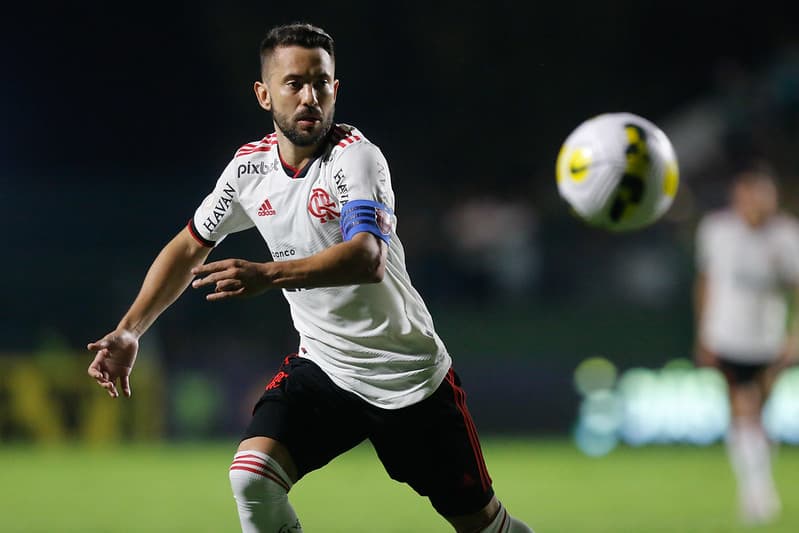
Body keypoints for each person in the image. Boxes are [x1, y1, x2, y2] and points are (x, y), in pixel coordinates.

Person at [87, 23, 533, 533]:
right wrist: (129, 329)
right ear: (264, 94)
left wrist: (267, 274)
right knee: (251, 478)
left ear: (335, 89)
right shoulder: (247, 173)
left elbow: (366, 258)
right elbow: (189, 245)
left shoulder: (356, 158)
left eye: (321, 83)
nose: (309, 97)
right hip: (325, 368)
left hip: (408, 378)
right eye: (293, 83)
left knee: (484, 526)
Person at [694, 168, 799, 525]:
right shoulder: (716, 231)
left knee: (758, 419)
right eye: (751, 195)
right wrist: (704, 331)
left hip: (768, 339)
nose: (757, 203)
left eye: (764, 195)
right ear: (738, 197)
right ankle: (758, 492)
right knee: (744, 409)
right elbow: (706, 280)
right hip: (728, 337)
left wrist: (795, 335)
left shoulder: (786, 235)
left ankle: (754, 484)